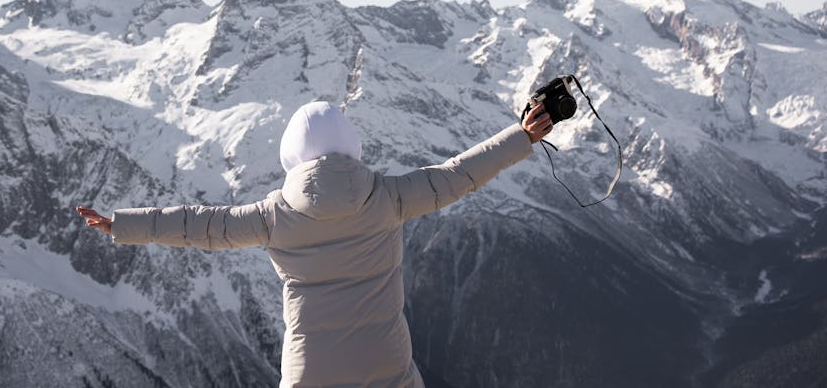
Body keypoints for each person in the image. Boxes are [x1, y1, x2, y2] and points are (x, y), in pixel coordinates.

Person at [78, 100, 553, 388]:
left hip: (310, 374)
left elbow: (197, 225)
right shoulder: (390, 197)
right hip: (386, 366)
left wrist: (121, 224)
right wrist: (523, 136)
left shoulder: (270, 217)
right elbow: (460, 174)